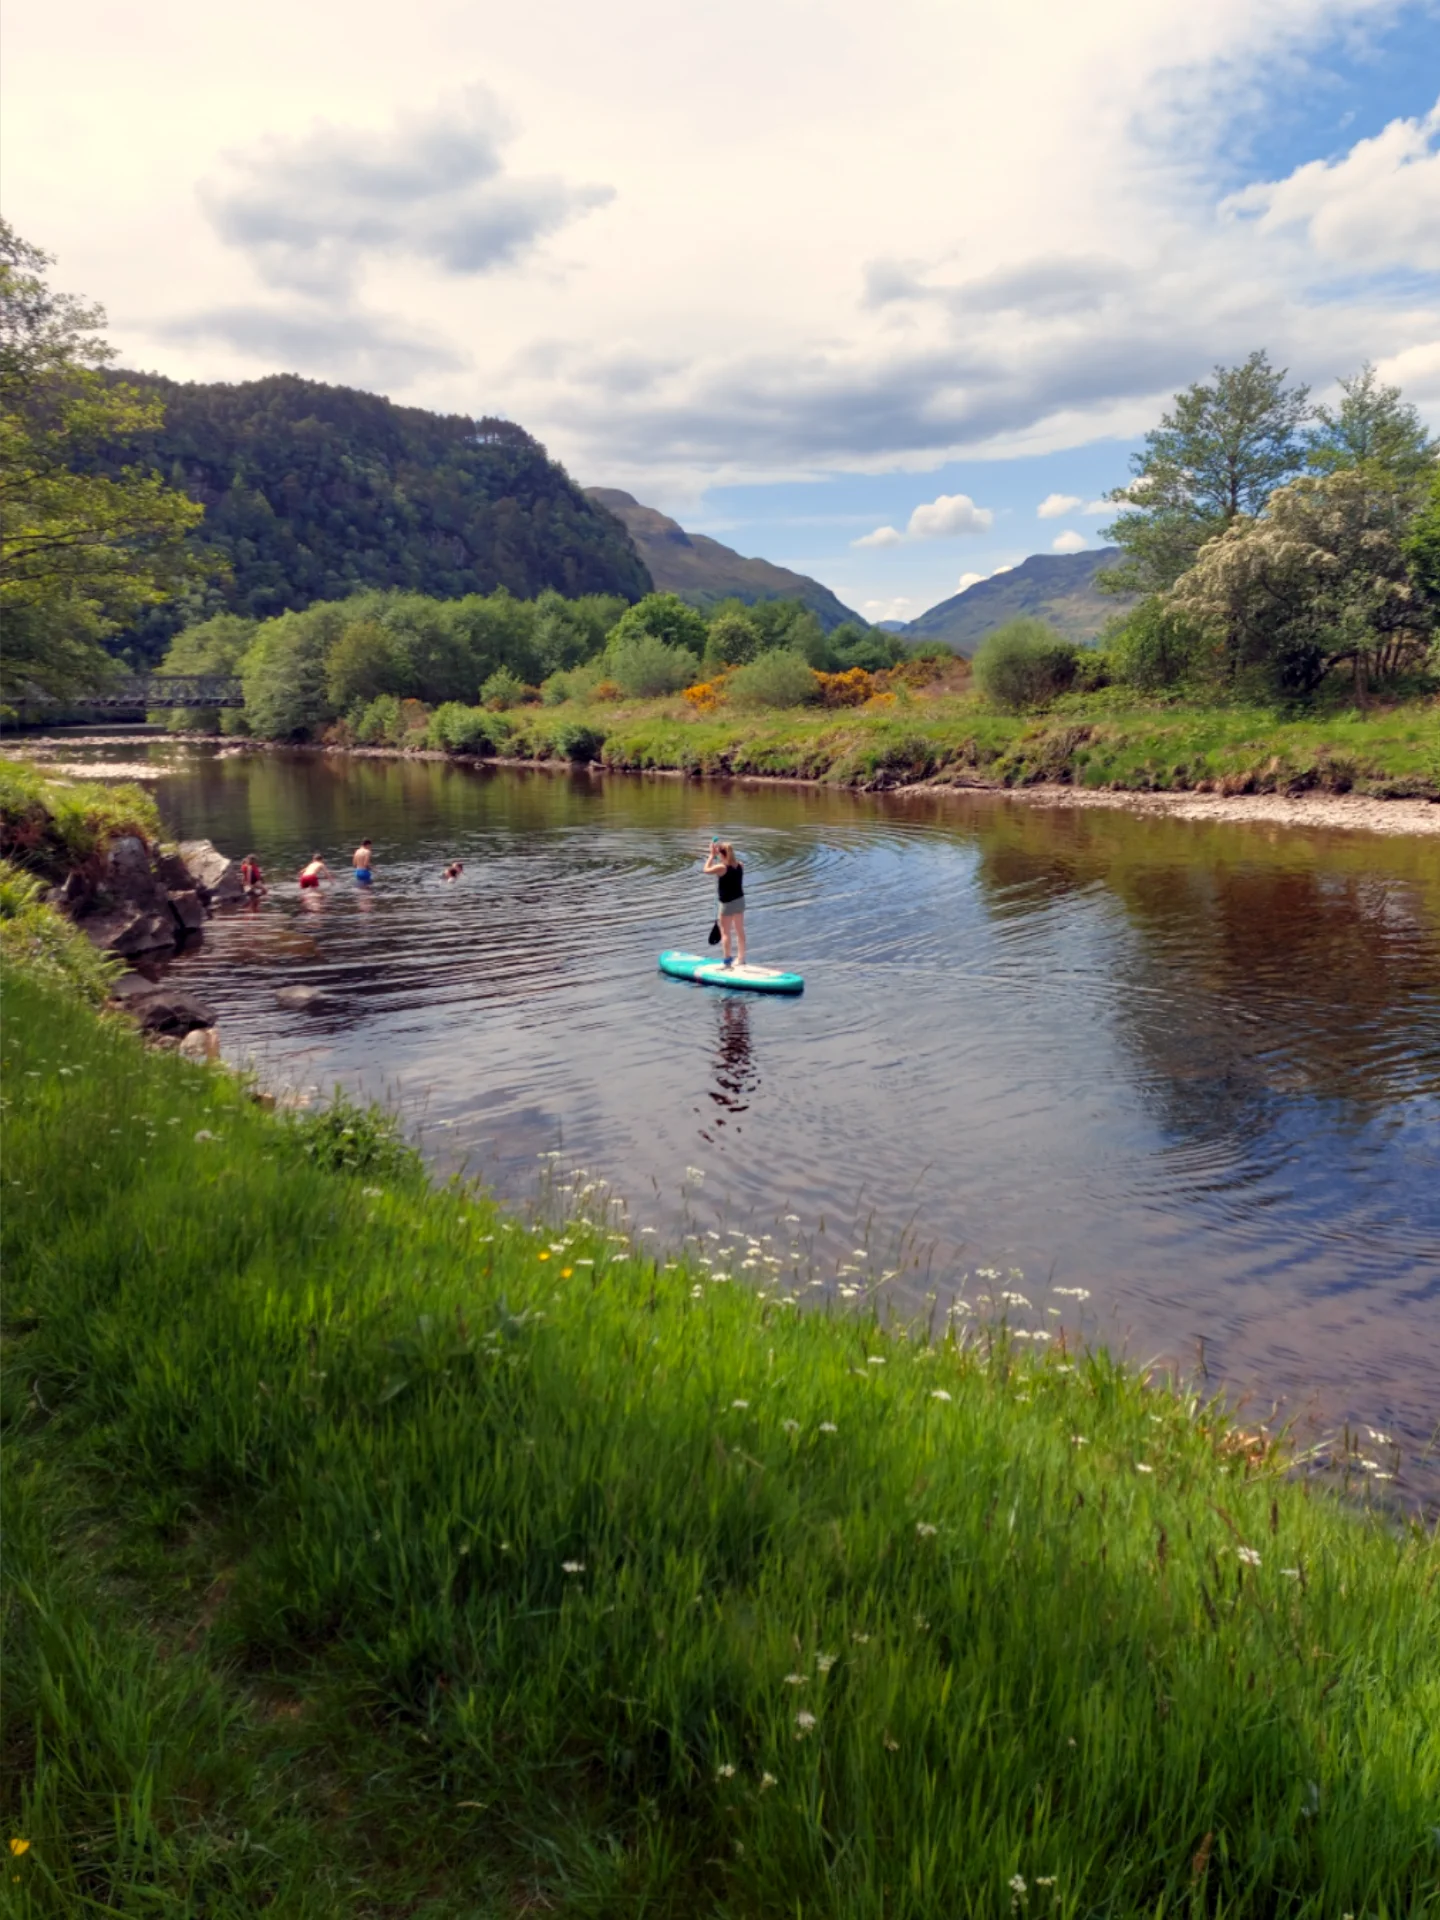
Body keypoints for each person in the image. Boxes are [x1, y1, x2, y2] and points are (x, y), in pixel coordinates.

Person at [703, 837, 746, 966]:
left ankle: (727, 960)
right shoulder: (740, 865)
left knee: (725, 933)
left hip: (727, 904)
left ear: (722, 854)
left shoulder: (722, 868)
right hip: (740, 901)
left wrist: (711, 856)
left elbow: (705, 869)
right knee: (740, 930)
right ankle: (741, 959)